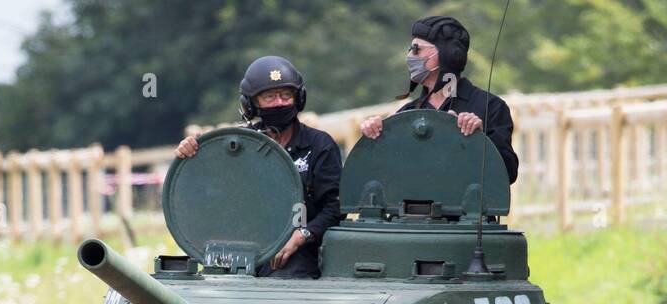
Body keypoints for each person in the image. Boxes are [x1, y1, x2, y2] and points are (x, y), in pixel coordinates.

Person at [176, 57, 341, 278]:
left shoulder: (319, 145)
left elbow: (334, 209)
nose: (279, 103)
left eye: (286, 95)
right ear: (252, 104)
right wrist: (193, 153)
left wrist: (301, 235)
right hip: (239, 248)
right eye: (269, 96)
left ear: (298, 98)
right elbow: (208, 196)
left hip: (297, 252)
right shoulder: (238, 146)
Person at [360, 14, 518, 184]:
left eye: (416, 49)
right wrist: (375, 137)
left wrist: (479, 140)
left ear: (446, 54)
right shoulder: (407, 114)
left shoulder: (490, 106)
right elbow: (382, 175)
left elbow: (508, 174)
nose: (409, 57)